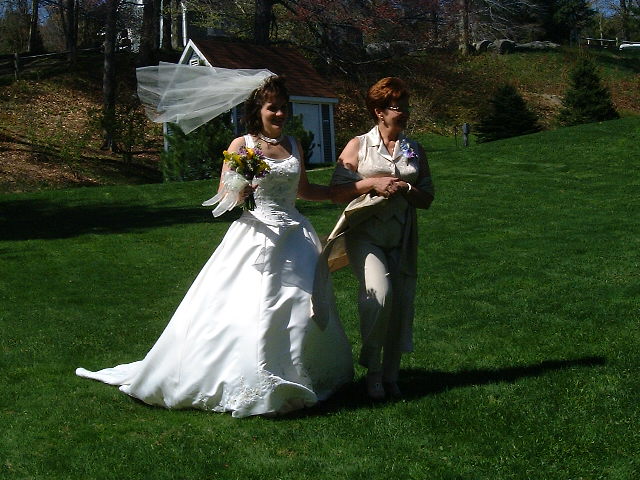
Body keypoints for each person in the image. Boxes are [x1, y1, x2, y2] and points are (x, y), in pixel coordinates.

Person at [76, 75, 354, 418]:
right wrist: (242, 192)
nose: (280, 114)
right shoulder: (242, 146)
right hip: (257, 237)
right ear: (258, 110)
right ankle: (254, 376)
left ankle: (300, 373)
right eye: (272, 108)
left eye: (283, 108)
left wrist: (343, 193)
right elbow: (226, 197)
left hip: (296, 235)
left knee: (300, 306)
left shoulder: (294, 145)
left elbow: (304, 190)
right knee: (256, 308)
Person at [328, 77, 434, 400]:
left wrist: (406, 188)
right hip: (366, 235)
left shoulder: (414, 149)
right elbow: (336, 189)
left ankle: (391, 376)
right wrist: (373, 183)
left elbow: (427, 196)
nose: (402, 112)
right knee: (380, 295)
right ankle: (372, 371)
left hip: (401, 236)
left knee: (401, 304)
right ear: (378, 112)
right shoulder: (358, 146)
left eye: (405, 106)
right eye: (395, 107)